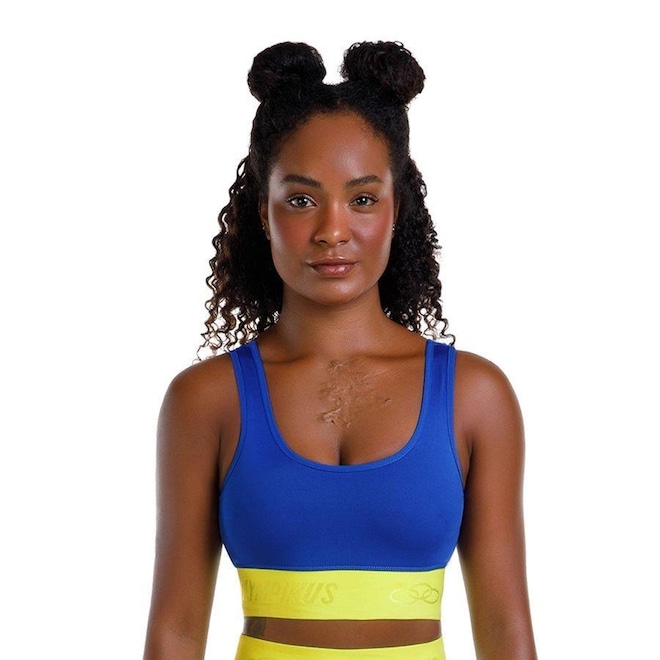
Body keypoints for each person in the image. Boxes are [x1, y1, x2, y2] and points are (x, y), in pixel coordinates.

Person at [144, 41, 537, 660]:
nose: (332, 231)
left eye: (362, 198)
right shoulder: (206, 399)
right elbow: (176, 630)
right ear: (264, 212)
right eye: (301, 199)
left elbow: (505, 630)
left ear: (398, 208)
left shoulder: (476, 397)